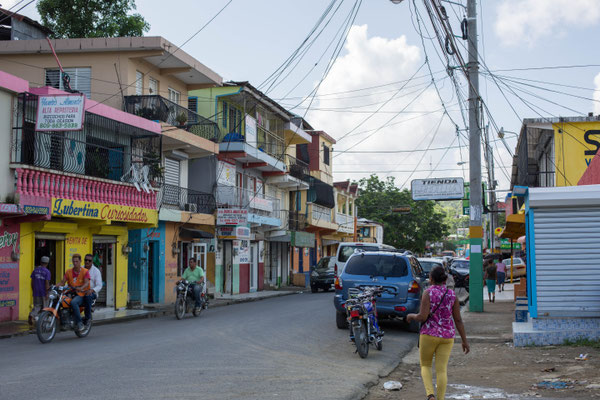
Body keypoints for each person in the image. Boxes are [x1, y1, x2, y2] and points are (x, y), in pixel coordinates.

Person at [407, 265, 470, 400]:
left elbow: (422, 317)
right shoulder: (452, 295)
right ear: (445, 279)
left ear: (431, 279)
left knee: (426, 365)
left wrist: (411, 316)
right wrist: (465, 341)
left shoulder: (428, 293)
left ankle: (430, 395)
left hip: (428, 334)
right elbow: (458, 320)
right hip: (447, 337)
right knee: (441, 370)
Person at [59, 254, 90, 331]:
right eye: (74, 261)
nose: (75, 263)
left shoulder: (85, 271)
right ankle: (63, 322)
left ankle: (80, 323)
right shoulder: (68, 271)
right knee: (59, 300)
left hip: (82, 294)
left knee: (73, 302)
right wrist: (54, 286)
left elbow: (86, 283)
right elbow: (62, 282)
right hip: (70, 292)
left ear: (80, 261)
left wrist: (81, 288)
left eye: (77, 261)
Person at [29, 256, 52, 326]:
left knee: (37, 306)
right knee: (45, 307)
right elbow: (47, 283)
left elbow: (32, 282)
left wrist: (33, 289)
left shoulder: (35, 270)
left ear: (41, 262)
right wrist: (47, 293)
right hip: (43, 292)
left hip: (36, 292)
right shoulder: (47, 272)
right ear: (47, 263)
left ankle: (32, 315)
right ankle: (43, 321)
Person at [84, 254, 102, 323]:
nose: (87, 262)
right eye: (86, 260)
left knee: (88, 296)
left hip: (92, 293)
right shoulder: (81, 269)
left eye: (89, 260)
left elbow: (99, 286)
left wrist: (92, 290)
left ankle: (87, 318)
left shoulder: (96, 271)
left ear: (92, 262)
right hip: (81, 291)